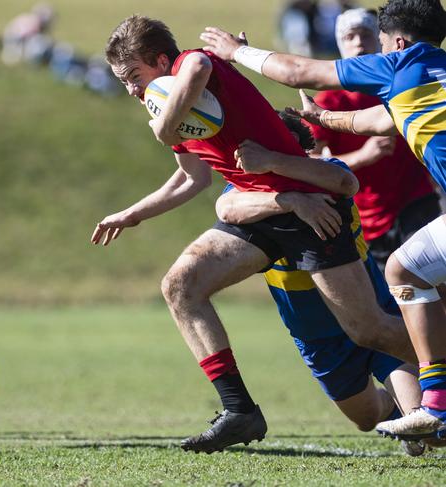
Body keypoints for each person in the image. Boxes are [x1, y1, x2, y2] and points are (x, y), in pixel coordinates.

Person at [93, 14, 413, 454]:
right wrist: (131, 214)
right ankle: (239, 410)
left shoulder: (194, 66)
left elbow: (199, 68)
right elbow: (192, 180)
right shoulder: (168, 105)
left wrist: (166, 123)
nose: (130, 88)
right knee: (181, 285)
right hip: (253, 209)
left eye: (133, 75)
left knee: (368, 329)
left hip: (309, 202)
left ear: (161, 59)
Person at [200, 0, 446, 441]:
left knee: (404, 270)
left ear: (399, 43)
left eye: (383, 43)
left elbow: (297, 72)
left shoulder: (401, 63)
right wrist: (322, 118)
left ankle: (439, 402)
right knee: (411, 272)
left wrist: (237, 53)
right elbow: (379, 119)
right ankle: (437, 401)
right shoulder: (429, 80)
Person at [215, 112, 424, 456]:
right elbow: (226, 206)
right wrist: (289, 201)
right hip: (316, 334)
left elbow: (344, 181)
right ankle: (398, 411)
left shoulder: (328, 172)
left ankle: (419, 414)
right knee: (366, 417)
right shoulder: (249, 190)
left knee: (421, 426)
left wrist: (282, 172)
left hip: (367, 306)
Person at [307, 8, 441, 274]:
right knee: (392, 299)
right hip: (367, 218)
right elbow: (309, 163)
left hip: (417, 202)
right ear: (339, 46)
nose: (358, 43)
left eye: (366, 35)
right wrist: (362, 157)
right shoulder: (327, 102)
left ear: (383, 40)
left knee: (434, 282)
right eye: (349, 37)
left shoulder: (401, 84)